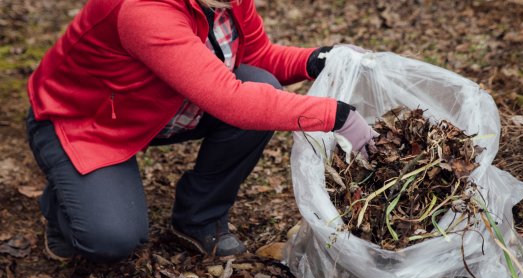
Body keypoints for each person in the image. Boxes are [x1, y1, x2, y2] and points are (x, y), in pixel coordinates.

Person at [26, 0, 377, 263]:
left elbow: (256, 57)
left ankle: (198, 219)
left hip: (158, 107)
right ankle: (64, 206)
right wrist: (338, 116)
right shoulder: (142, 10)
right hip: (85, 121)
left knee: (263, 85)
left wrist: (316, 59)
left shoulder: (223, 0)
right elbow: (231, 101)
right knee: (111, 239)